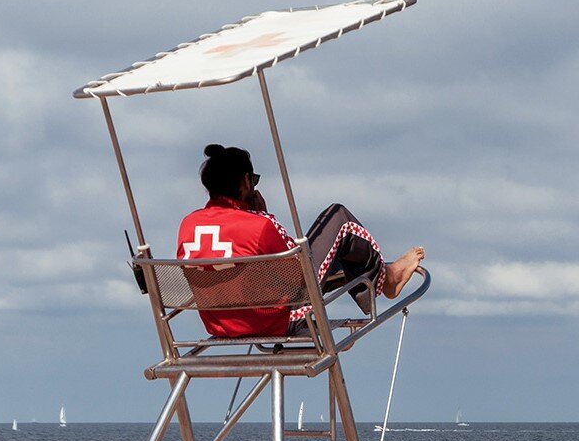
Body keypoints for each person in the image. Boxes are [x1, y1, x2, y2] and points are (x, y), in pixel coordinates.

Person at [177, 144, 424, 338]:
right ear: (244, 182)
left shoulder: (188, 224)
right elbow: (298, 272)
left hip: (221, 325)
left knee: (330, 260)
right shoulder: (259, 225)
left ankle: (374, 275)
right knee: (338, 218)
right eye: (253, 180)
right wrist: (263, 215)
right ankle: (388, 278)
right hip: (274, 319)